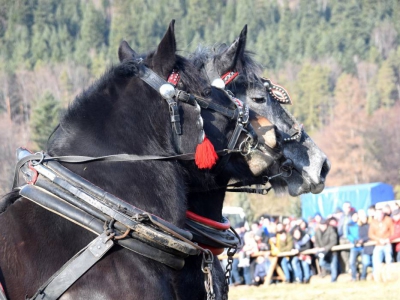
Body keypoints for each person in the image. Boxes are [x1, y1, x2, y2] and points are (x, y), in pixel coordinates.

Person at [368, 208, 394, 279]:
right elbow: (371, 234)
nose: (380, 215)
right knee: (376, 260)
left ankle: (390, 275)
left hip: (387, 243)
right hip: (378, 244)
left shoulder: (388, 220)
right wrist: (379, 240)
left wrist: (388, 239)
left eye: (381, 213)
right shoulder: (373, 222)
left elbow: (392, 231)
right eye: (378, 214)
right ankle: (376, 276)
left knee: (389, 259)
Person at [357, 209, 374, 280]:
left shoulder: (371, 224)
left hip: (373, 245)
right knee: (366, 262)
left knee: (374, 261)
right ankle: (363, 276)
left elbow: (371, 234)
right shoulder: (360, 226)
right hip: (365, 247)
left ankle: (373, 275)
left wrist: (364, 239)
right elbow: (361, 236)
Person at [338, 201, 352, 273]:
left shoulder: (352, 216)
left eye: (349, 207)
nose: (347, 208)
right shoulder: (340, 217)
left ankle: (351, 269)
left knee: (351, 255)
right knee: (344, 255)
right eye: (346, 207)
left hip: (350, 238)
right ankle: (345, 270)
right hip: (342, 238)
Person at [347, 212, 362, 281]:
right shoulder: (349, 224)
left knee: (364, 261)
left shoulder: (360, 223)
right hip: (354, 246)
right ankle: (354, 276)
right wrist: (354, 241)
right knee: (352, 262)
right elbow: (348, 234)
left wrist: (360, 240)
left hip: (362, 245)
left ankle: (363, 275)